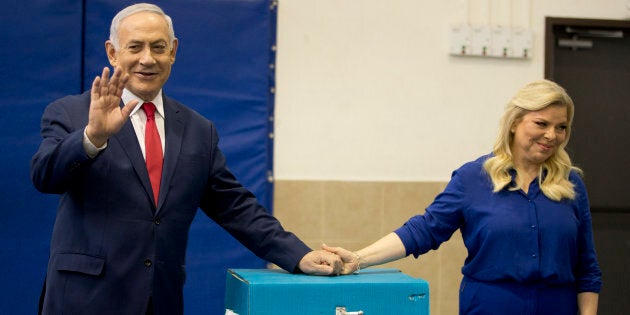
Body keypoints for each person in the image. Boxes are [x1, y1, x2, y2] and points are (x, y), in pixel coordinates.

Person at [30, 3, 341, 314]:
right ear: (113, 53)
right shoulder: (71, 112)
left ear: (173, 51)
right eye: (135, 47)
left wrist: (298, 255)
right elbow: (45, 176)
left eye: (158, 47)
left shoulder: (198, 130)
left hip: (160, 299)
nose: (147, 59)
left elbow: (236, 207)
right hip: (83, 300)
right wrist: (93, 137)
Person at [323, 80, 602, 315]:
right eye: (541, 123)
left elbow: (587, 268)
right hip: (489, 306)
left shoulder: (571, 184)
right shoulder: (473, 178)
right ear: (515, 122)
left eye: (561, 127)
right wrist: (358, 258)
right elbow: (423, 230)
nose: (552, 135)